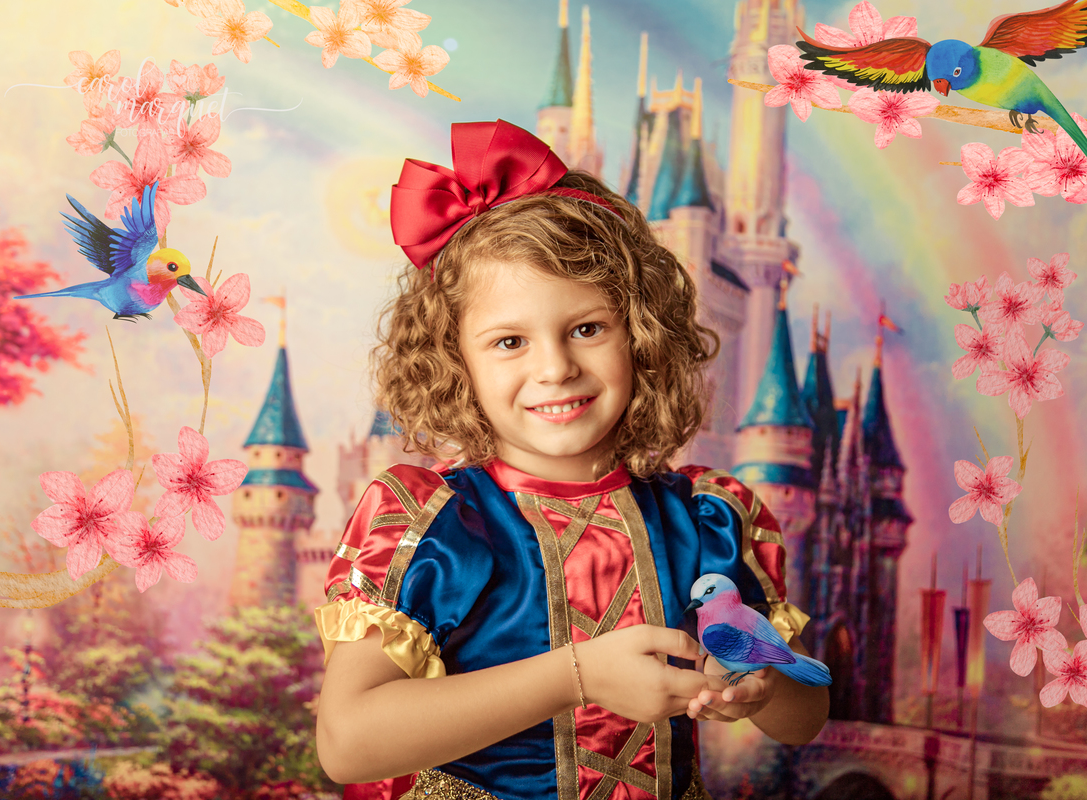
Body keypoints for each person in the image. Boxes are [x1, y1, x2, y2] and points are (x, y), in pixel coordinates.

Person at [315, 119, 829, 800]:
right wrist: (577, 676)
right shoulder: (433, 524)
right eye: (509, 342)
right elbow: (348, 744)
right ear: (453, 360)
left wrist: (759, 687)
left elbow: (806, 717)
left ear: (641, 335)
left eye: (587, 329)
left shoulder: (706, 518)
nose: (555, 368)